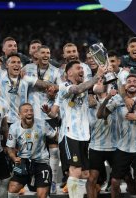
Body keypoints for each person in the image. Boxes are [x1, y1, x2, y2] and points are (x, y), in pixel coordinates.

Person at [42, 60, 105, 197]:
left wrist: (103, 79)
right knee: (75, 171)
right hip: (70, 135)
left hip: (84, 136)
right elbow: (76, 91)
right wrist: (48, 112)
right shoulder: (64, 85)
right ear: (69, 72)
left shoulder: (85, 85)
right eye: (78, 68)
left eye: (82, 68)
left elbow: (99, 89)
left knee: (86, 174)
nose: (82, 70)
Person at [97, 73, 136, 198]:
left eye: (135, 81)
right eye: (129, 81)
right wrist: (107, 98)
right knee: (115, 182)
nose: (132, 83)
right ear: (125, 87)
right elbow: (100, 115)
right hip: (122, 148)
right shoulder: (117, 100)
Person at [22, 45, 62, 194]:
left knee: (54, 150)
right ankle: (30, 180)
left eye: (48, 52)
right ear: (36, 55)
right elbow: (23, 81)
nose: (46, 55)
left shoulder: (56, 71)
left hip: (49, 114)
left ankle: (53, 182)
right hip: (32, 115)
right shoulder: (28, 68)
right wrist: (48, 85)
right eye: (43, 53)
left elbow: (61, 86)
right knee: (31, 150)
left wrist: (54, 88)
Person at [6, 103, 57, 198]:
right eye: (26, 111)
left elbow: (55, 136)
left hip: (41, 162)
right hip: (23, 162)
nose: (30, 113)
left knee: (42, 195)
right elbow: (10, 147)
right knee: (12, 188)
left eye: (31, 110)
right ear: (19, 114)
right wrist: (13, 157)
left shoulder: (42, 124)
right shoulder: (14, 127)